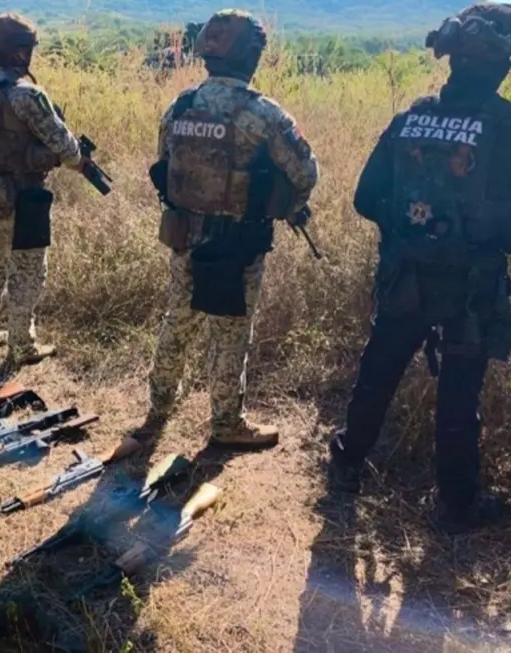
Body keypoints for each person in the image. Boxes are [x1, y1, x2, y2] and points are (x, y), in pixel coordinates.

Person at [326, 3, 511, 534]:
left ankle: (347, 466)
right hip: (472, 285)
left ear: (452, 57)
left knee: (379, 369)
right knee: (459, 392)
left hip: (404, 277)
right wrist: (501, 234)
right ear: (506, 62)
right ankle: (457, 505)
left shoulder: (408, 120)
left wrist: (408, 234)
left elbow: (367, 198)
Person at [145, 9, 319, 448]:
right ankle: (226, 424)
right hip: (239, 242)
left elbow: (164, 162)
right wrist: (289, 203)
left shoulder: (181, 104)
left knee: (177, 320)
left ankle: (159, 408)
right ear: (251, 55)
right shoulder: (262, 113)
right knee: (231, 330)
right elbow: (305, 172)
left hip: (184, 234)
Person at [0, 12, 92, 368]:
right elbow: (66, 147)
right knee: (28, 271)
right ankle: (22, 346)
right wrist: (72, 158)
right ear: (20, 52)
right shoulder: (26, 93)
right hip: (23, 195)